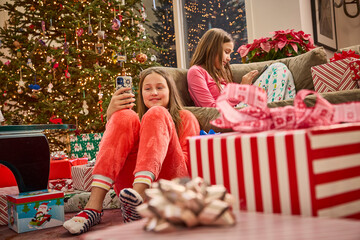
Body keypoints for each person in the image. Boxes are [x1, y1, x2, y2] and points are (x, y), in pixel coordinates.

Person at [63, 68, 200, 235]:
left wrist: (162, 139)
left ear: (170, 90)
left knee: (157, 113)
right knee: (124, 116)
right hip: (129, 190)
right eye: (147, 88)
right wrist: (110, 117)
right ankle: (93, 208)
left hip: (171, 186)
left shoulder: (185, 117)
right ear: (140, 93)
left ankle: (139, 197)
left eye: (160, 87)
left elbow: (187, 164)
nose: (154, 93)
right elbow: (113, 154)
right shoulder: (135, 121)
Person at [187, 28, 296, 108]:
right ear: (212, 49)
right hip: (232, 113)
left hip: (242, 106)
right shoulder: (196, 72)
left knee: (281, 68)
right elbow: (211, 109)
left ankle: (289, 114)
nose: (229, 58)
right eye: (226, 52)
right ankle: (274, 115)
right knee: (278, 67)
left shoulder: (221, 73)